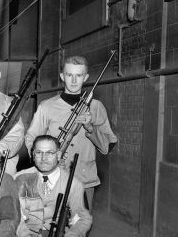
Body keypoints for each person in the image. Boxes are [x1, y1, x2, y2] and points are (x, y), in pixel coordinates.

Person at [24, 55, 117, 212]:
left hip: (84, 179)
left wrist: (90, 127)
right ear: (62, 76)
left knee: (80, 231)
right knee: (50, 228)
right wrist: (45, 162)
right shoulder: (46, 107)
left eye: (79, 75)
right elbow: (31, 139)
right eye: (69, 75)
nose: (74, 81)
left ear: (85, 77)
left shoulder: (96, 107)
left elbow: (107, 146)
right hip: (52, 179)